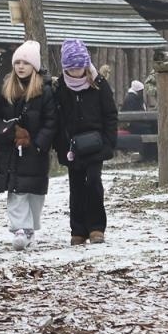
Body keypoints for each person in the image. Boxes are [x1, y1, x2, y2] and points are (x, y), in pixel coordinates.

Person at [0, 41, 57, 251]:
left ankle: (30, 229)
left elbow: (51, 122)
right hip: (11, 151)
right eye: (17, 63)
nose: (21, 67)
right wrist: (6, 134)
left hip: (35, 151)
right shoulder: (7, 90)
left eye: (25, 63)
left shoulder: (44, 91)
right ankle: (19, 229)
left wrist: (38, 144)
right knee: (15, 191)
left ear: (34, 66)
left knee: (34, 194)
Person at [52, 39, 118, 245]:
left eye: (79, 67)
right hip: (72, 147)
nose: (76, 72)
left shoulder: (99, 84)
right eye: (71, 69)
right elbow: (57, 119)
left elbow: (110, 114)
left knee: (94, 181)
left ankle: (96, 227)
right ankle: (78, 229)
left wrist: (109, 142)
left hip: (96, 144)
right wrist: (60, 145)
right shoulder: (60, 88)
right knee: (76, 186)